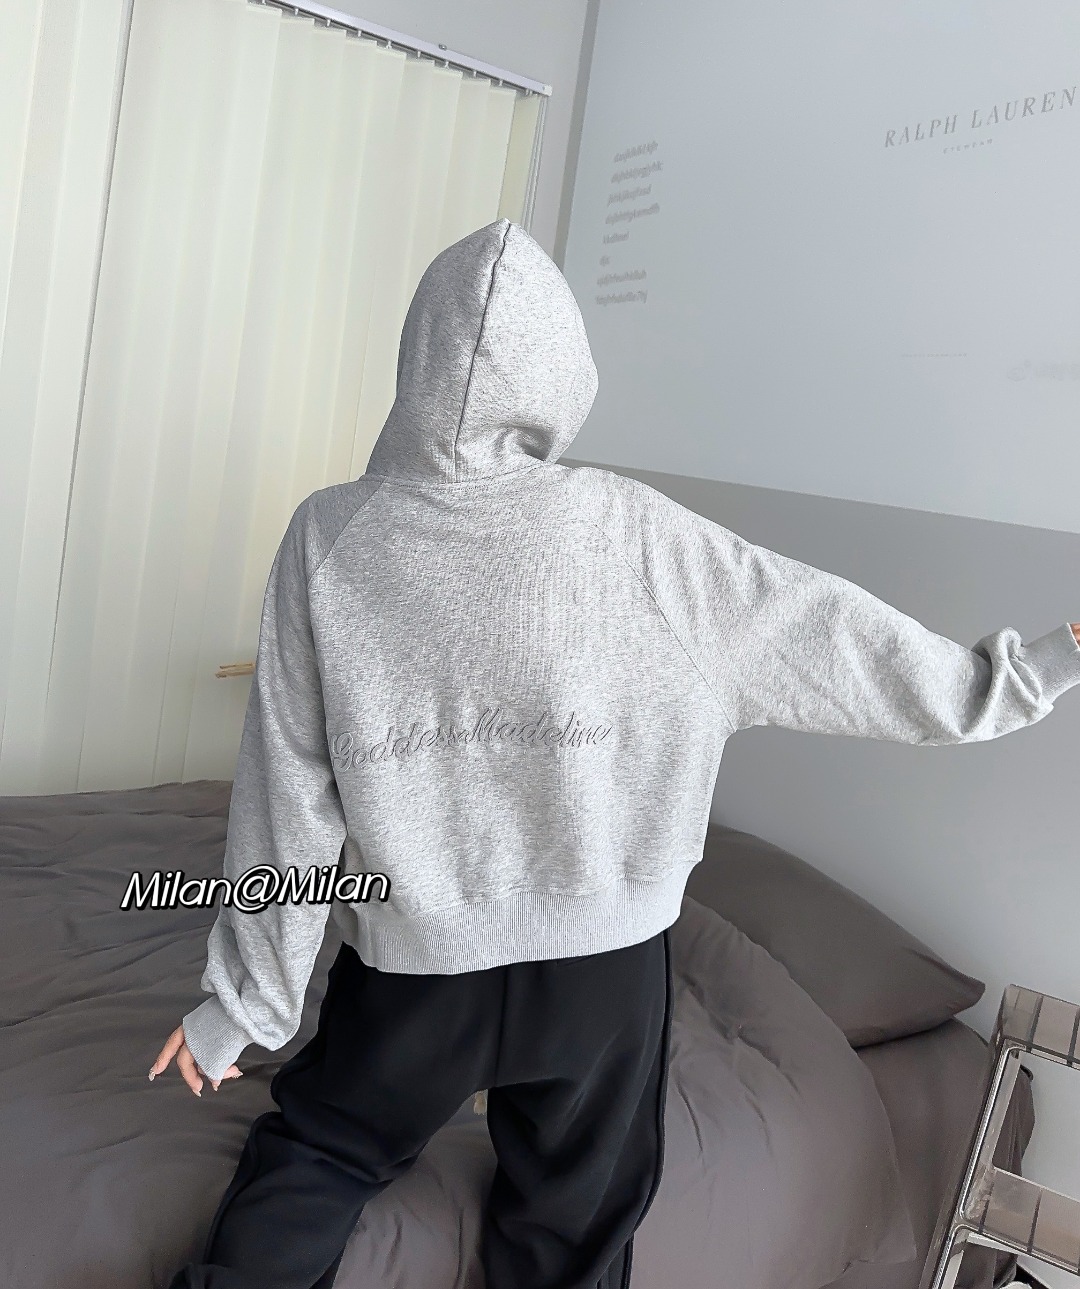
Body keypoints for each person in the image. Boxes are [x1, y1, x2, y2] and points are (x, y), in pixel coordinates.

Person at [152, 218, 1080, 1289]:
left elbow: (289, 799)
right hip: (601, 978)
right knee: (576, 1224)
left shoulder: (329, 538)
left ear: (415, 363)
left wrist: (244, 1004)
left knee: (320, 1147)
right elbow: (834, 638)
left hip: (416, 975)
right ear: (563, 375)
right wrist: (1031, 671)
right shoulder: (641, 535)